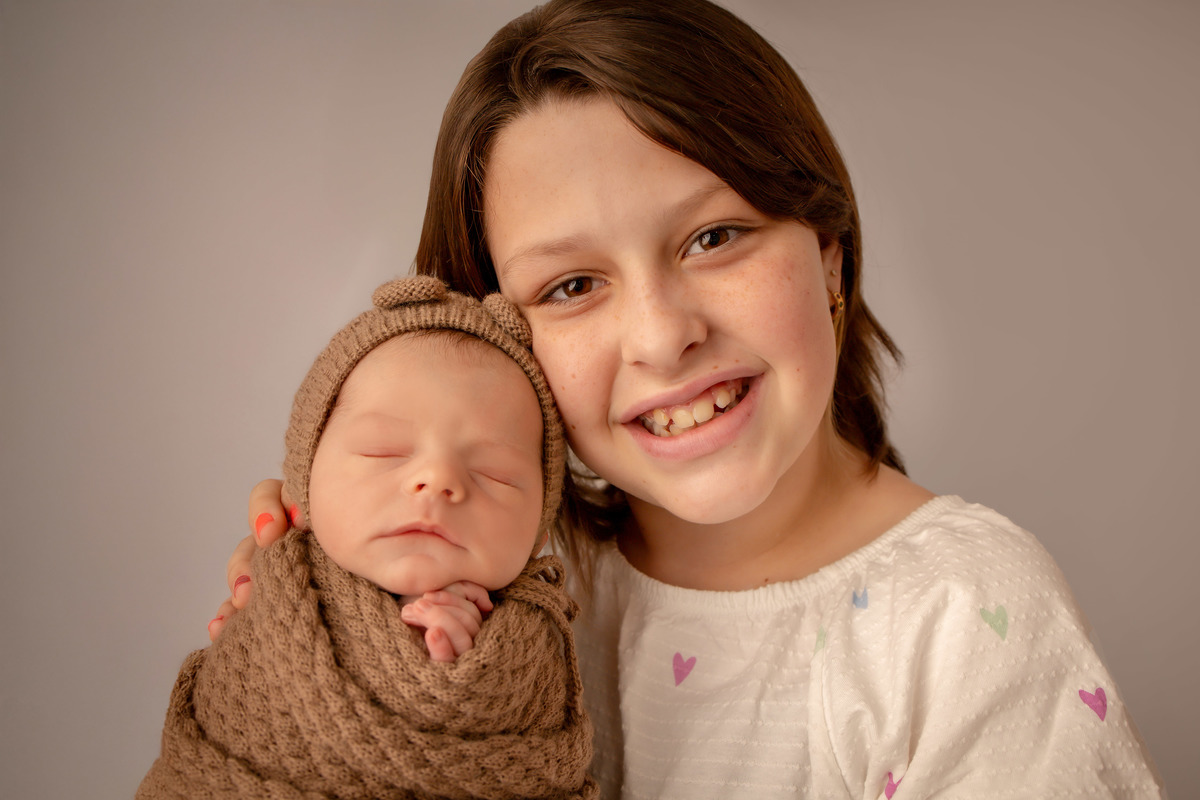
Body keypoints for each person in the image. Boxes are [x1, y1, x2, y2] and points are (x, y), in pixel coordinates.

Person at [215, 1, 1165, 796]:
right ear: (489, 336)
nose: (663, 336)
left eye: (713, 239)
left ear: (827, 254)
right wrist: (327, 634)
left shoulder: (965, 619)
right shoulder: (496, 593)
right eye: (571, 286)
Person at [144, 276, 595, 799]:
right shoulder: (272, 593)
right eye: (384, 451)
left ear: (540, 528)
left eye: (494, 474)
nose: (437, 480)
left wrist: (472, 671)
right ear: (304, 481)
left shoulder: (538, 643)